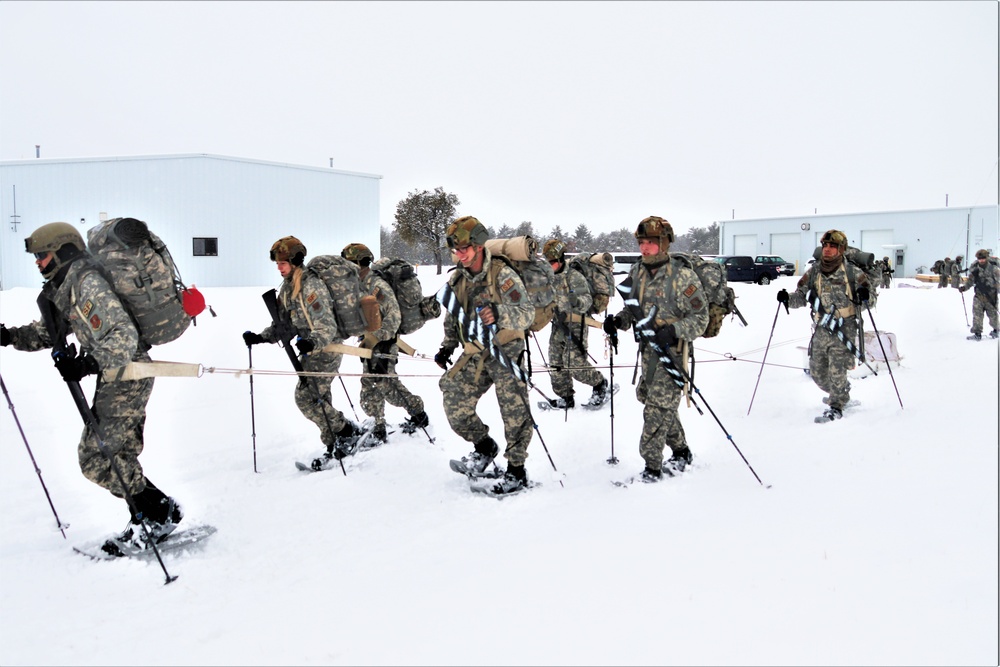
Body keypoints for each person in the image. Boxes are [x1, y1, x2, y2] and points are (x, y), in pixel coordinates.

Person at [0, 222, 182, 557]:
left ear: (64, 251)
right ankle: (154, 514)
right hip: (116, 374)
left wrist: (86, 364)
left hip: (128, 374)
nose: (38, 262)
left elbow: (123, 338)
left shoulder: (88, 285)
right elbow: (48, 333)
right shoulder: (67, 286)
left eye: (43, 255)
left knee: (97, 457)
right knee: (113, 454)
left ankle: (157, 514)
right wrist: (9, 336)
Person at [434, 216, 535, 495]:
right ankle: (484, 447)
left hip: (505, 350)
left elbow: (526, 314)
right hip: (476, 352)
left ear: (478, 246)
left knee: (514, 412)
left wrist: (500, 313)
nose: (459, 254)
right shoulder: (458, 278)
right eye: (455, 250)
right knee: (454, 403)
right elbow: (453, 315)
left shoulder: (502, 274)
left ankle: (516, 470)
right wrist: (448, 345)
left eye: (464, 248)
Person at [602, 216, 708, 482]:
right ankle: (681, 451)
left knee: (656, 410)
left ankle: (652, 467)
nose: (644, 247)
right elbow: (632, 309)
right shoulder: (637, 272)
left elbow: (700, 318)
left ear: (664, 243)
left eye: (651, 242)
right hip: (647, 352)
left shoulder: (683, 277)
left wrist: (674, 330)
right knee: (654, 403)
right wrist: (618, 321)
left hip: (673, 352)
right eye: (641, 242)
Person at [242, 236, 364, 466]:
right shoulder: (288, 288)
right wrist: (261, 337)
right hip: (310, 350)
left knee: (306, 398)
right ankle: (333, 443)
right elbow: (283, 325)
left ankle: (347, 431)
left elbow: (326, 325)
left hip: (326, 348)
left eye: (283, 262)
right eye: (277, 263)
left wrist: (312, 342)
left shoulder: (311, 286)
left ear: (296, 260)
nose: (279, 267)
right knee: (320, 398)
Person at [777, 229, 872, 422]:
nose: (828, 249)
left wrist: (865, 297)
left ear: (841, 249)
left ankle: (836, 406)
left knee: (837, 369)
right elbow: (802, 296)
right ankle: (842, 394)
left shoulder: (853, 272)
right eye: (825, 245)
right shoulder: (814, 272)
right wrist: (788, 299)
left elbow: (870, 300)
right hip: (822, 327)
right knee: (817, 371)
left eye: (833, 246)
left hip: (844, 327)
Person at [341, 243, 429, 442]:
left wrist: (376, 337)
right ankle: (378, 425)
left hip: (383, 343)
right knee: (369, 385)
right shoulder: (359, 283)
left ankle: (419, 413)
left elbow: (394, 316)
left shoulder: (375, 284)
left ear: (357, 262)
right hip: (369, 343)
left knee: (387, 386)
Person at [540, 238, 611, 409]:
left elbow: (586, 301)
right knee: (555, 361)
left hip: (576, 324)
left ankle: (600, 384)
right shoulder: (548, 278)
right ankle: (565, 396)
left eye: (553, 262)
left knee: (573, 363)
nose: (550, 266)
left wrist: (576, 301)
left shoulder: (574, 277)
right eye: (547, 262)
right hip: (558, 324)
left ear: (560, 259)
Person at [958, 249, 1000, 341]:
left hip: (991, 297)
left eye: (983, 258)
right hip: (979, 296)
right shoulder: (975, 269)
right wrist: (964, 288)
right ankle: (977, 333)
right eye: (979, 258)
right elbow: (970, 281)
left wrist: (993, 287)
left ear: (987, 258)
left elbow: (999, 282)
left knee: (993, 315)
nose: (981, 260)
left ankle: (996, 330)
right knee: (977, 314)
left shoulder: (994, 269)